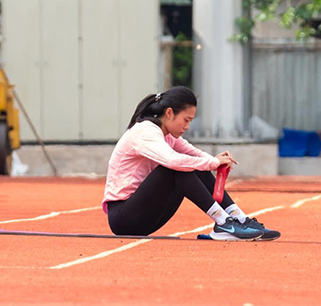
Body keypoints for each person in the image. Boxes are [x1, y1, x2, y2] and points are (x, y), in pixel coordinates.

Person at [102, 86, 280, 241]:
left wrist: (214, 161)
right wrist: (211, 162)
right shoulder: (145, 131)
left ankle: (238, 219)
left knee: (194, 165)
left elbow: (193, 153)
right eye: (186, 120)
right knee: (176, 168)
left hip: (145, 216)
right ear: (170, 113)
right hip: (123, 217)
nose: (187, 126)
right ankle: (224, 223)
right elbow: (173, 161)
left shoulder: (169, 135)